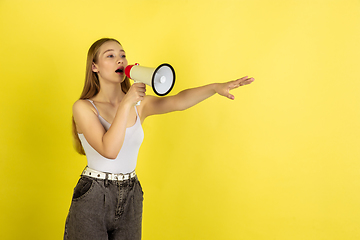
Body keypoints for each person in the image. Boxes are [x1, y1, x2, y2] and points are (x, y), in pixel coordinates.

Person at [64, 37, 254, 240]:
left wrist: (215, 88)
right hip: (94, 194)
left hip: (131, 194)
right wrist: (126, 103)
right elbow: (109, 150)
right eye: (110, 55)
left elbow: (178, 101)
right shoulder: (84, 107)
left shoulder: (140, 105)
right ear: (95, 67)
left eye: (122, 55)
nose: (119, 59)